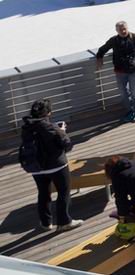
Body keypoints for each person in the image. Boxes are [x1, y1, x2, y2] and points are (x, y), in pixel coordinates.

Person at [20, 99, 83, 231]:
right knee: (63, 192)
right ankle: (64, 222)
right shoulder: (50, 127)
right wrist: (62, 131)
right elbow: (67, 145)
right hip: (56, 166)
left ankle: (46, 222)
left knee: (43, 193)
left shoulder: (26, 127)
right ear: (48, 113)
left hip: (36, 167)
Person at [95, 21, 135, 123]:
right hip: (120, 70)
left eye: (125, 29)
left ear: (127, 28)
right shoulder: (114, 40)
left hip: (134, 69)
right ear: (117, 31)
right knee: (123, 92)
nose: (123, 31)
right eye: (121, 30)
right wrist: (99, 57)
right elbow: (103, 49)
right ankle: (129, 111)